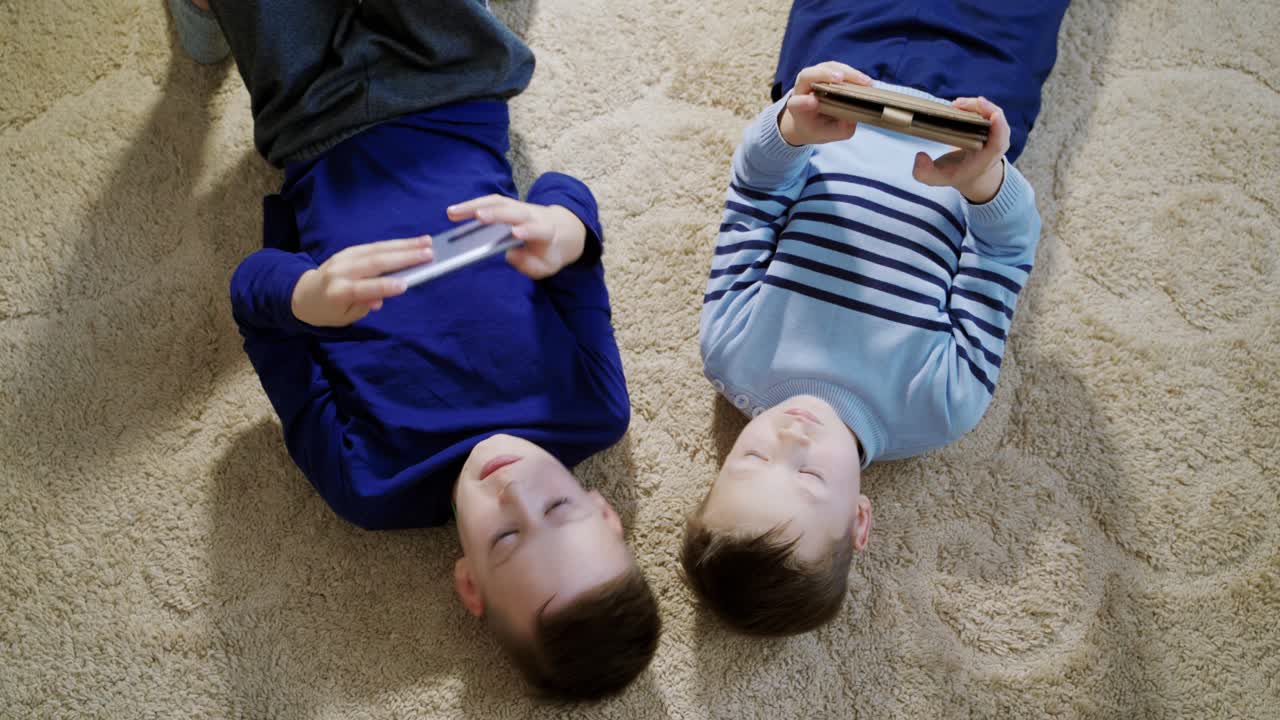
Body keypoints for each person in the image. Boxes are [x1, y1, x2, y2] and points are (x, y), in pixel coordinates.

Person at [170, 0, 660, 698]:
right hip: (455, 84)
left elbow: (254, 304)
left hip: (313, 120)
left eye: (507, 538)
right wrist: (562, 227)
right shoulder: (593, 409)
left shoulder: (369, 486)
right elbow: (569, 216)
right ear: (603, 512)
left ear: (469, 583)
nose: (514, 489)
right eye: (556, 510)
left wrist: (306, 292)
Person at [682, 0, 1071, 636]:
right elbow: (1005, 255)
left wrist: (787, 130)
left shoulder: (730, 351)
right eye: (808, 477)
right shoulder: (941, 407)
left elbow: (752, 201)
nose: (790, 440)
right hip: (969, 114)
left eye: (751, 461)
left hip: (840, 88)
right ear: (859, 520)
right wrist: (985, 184)